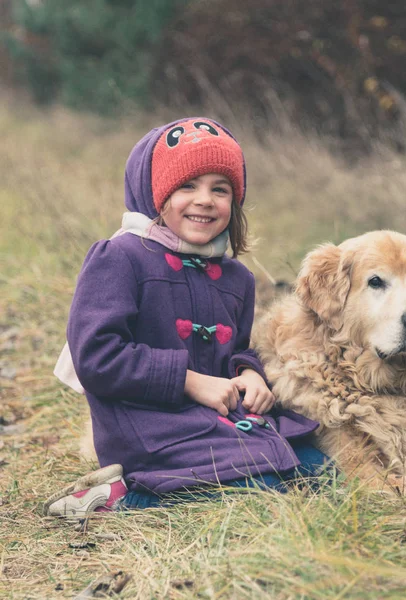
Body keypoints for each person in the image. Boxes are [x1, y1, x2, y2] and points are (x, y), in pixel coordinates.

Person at [44, 118, 327, 517]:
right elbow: (96, 356)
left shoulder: (236, 278)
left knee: (322, 473)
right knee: (262, 490)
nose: (205, 200)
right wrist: (189, 381)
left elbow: (234, 350)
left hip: (220, 420)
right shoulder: (121, 258)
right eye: (187, 186)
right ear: (155, 194)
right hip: (150, 428)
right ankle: (123, 496)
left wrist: (248, 374)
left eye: (220, 189)